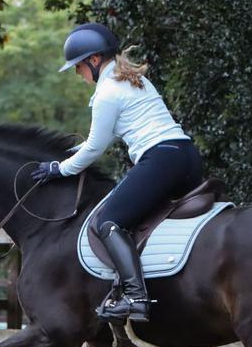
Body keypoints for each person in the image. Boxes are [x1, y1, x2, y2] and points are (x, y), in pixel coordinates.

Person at [32, 23, 203, 323]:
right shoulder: (133, 80)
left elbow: (94, 149)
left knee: (108, 222)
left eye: (78, 66)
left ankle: (136, 298)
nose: (77, 73)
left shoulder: (107, 93)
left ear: (94, 60)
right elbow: (102, 138)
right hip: (187, 156)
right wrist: (71, 153)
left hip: (161, 159)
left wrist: (59, 169)